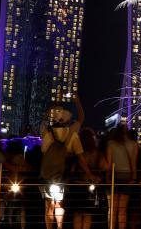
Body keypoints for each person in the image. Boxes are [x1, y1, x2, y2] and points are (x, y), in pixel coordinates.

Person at [40, 94, 97, 229]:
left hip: (46, 174)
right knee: (59, 204)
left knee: (49, 206)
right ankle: (59, 227)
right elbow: (80, 158)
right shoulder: (73, 133)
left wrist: (53, 104)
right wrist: (77, 102)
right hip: (61, 175)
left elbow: (43, 150)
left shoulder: (47, 133)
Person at [105, 124, 138, 229]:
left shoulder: (110, 144)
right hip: (127, 178)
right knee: (122, 210)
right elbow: (134, 163)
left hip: (114, 177)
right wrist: (134, 178)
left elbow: (109, 164)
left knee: (112, 209)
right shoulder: (133, 144)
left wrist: (107, 178)